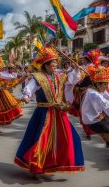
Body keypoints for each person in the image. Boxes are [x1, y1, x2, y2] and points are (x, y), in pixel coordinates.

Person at [15, 47, 84, 178]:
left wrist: (76, 68)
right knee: (42, 140)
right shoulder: (38, 77)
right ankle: (36, 168)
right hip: (43, 113)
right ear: (46, 65)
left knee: (69, 138)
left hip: (59, 113)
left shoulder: (59, 76)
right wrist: (26, 96)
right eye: (53, 63)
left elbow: (72, 80)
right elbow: (29, 89)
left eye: (55, 63)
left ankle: (57, 163)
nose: (55, 65)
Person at [81, 66, 109, 147]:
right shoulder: (93, 93)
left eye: (107, 84)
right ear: (97, 84)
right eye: (105, 84)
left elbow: (107, 97)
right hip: (92, 121)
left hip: (98, 116)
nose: (107, 87)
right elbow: (106, 106)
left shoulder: (98, 89)